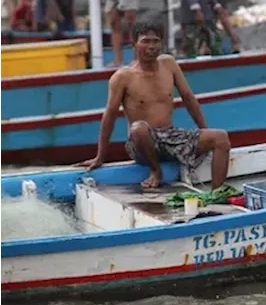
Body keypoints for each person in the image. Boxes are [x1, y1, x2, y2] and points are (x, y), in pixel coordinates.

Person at [79, 20, 231, 190]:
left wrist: (204, 130)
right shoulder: (122, 77)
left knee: (220, 138)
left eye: (155, 41)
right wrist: (100, 156)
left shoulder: (169, 64)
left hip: (171, 137)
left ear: (161, 43)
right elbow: (110, 115)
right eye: (145, 41)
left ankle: (216, 195)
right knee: (139, 129)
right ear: (134, 44)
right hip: (141, 143)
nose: (151, 46)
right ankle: (155, 171)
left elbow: (189, 98)